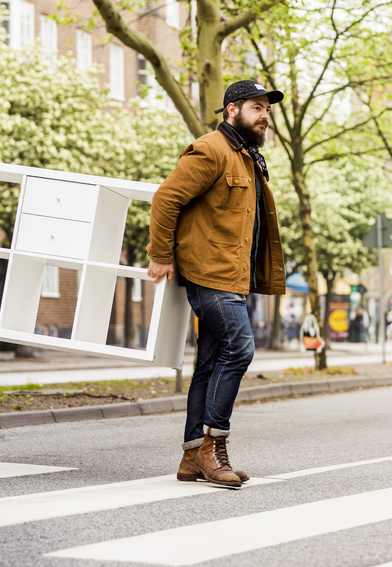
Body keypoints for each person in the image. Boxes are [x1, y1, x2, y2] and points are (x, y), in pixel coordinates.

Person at [147, 80, 286, 488]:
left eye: (267, 109)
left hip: (232, 275)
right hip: (209, 274)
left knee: (209, 364)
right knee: (240, 348)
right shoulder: (211, 150)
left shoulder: (246, 157)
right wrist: (160, 254)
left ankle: (191, 457)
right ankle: (213, 446)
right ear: (232, 111)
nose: (265, 116)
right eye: (257, 108)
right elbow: (166, 199)